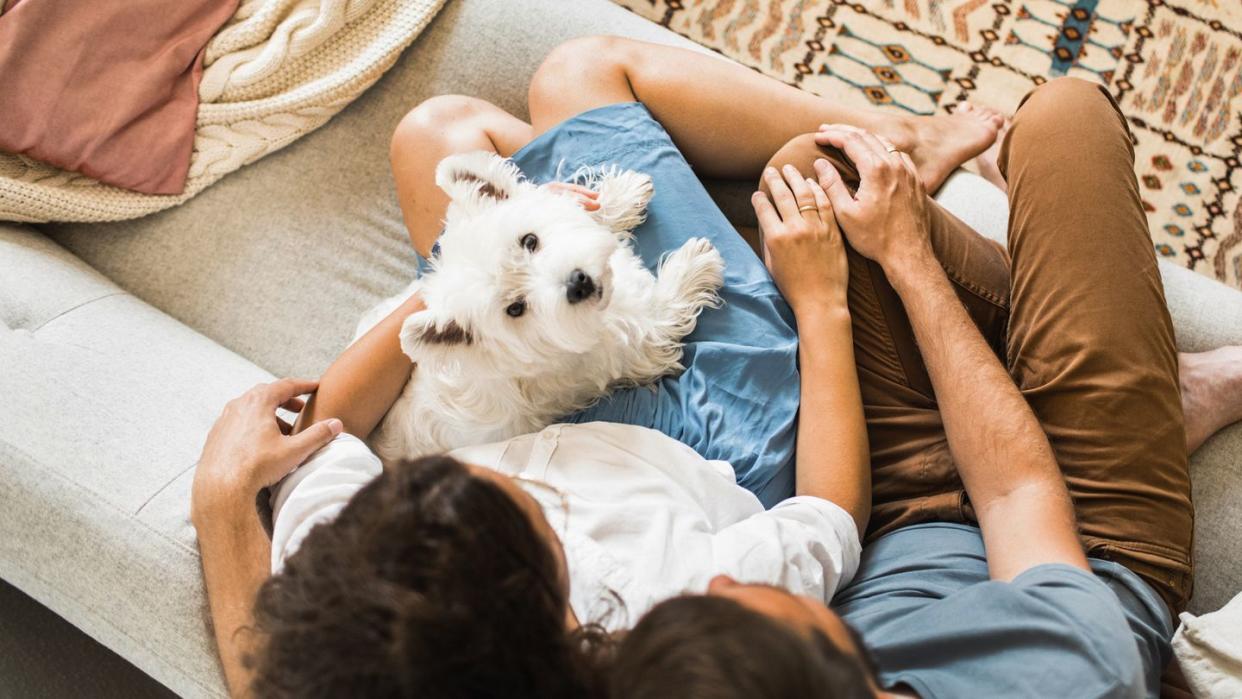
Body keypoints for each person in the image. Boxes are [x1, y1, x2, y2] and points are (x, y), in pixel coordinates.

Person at [188, 36, 1242, 698]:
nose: (730, 576)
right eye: (528, 520)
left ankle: (1138, 378)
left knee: (800, 176)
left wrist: (225, 512)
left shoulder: (401, 622)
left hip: (881, 507)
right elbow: (1014, 496)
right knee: (1060, 119)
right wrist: (892, 271)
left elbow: (298, 669)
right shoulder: (1059, 671)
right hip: (1061, 540)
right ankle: (1154, 394)